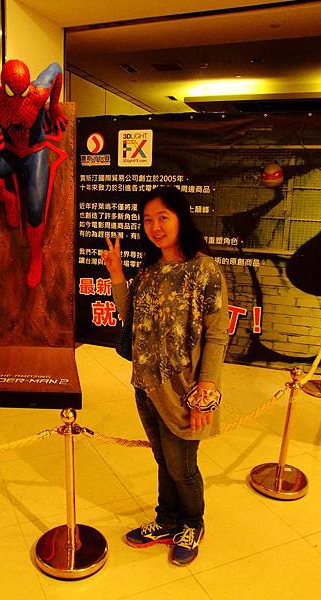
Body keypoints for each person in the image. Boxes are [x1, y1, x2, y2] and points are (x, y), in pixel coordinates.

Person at [101, 186, 229, 566]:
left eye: (163, 218)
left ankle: (192, 523)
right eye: (148, 220)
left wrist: (205, 393)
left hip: (184, 391)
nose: (155, 227)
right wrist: (116, 274)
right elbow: (129, 316)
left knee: (182, 467)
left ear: (180, 219)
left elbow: (217, 335)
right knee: (163, 460)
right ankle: (167, 520)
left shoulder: (203, 270)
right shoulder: (149, 270)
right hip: (146, 386)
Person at [0, 59, 67, 287]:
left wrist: (54, 108)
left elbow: (56, 69)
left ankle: (35, 256)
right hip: (10, 153)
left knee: (35, 209)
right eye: (11, 92)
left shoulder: (39, 91)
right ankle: (9, 199)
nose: (17, 99)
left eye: (22, 92)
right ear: (2, 85)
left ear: (28, 87)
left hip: (35, 153)